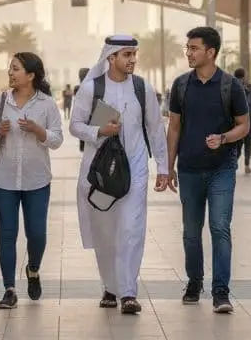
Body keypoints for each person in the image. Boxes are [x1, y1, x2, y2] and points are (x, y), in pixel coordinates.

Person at [69, 34, 170, 316]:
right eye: (126, 55)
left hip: (135, 168)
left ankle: (127, 292)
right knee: (106, 230)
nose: (132, 60)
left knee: (130, 227)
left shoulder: (142, 88)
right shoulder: (91, 88)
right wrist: (99, 131)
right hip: (101, 170)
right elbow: (75, 126)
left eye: (134, 54)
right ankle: (110, 287)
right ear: (110, 57)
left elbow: (155, 128)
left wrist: (162, 167)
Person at [166, 26, 249, 313]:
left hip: (221, 169)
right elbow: (174, 127)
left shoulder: (230, 86)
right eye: (187, 48)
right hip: (189, 169)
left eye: (194, 48)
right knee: (191, 232)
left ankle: (221, 292)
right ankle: (194, 282)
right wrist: (169, 167)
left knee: (219, 227)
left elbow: (244, 126)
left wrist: (223, 138)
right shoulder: (180, 85)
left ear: (210, 52)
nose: (188, 53)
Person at [0, 52, 64, 309]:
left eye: (15, 69)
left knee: (36, 234)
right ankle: (9, 289)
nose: (10, 73)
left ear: (31, 75)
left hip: (37, 180)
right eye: (10, 68)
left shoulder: (47, 104)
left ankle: (33, 269)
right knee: (7, 234)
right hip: (3, 179)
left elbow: (58, 139)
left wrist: (39, 131)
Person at [235, 68, 251, 173]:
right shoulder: (249, 88)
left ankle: (234, 164)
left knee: (237, 145)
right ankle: (246, 165)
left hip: (236, 123)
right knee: (247, 144)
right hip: (247, 122)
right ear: (244, 76)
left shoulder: (230, 86)